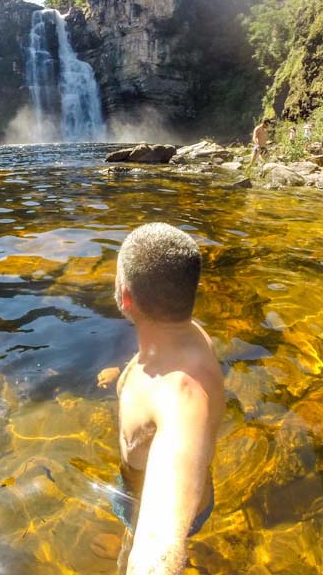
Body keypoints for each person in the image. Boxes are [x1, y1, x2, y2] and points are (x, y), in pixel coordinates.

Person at [97, 223, 225, 575]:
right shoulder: (189, 333)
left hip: (152, 501)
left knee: (132, 553)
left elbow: (160, 544)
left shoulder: (180, 400)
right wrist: (123, 373)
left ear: (125, 296)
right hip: (162, 486)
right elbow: (155, 359)